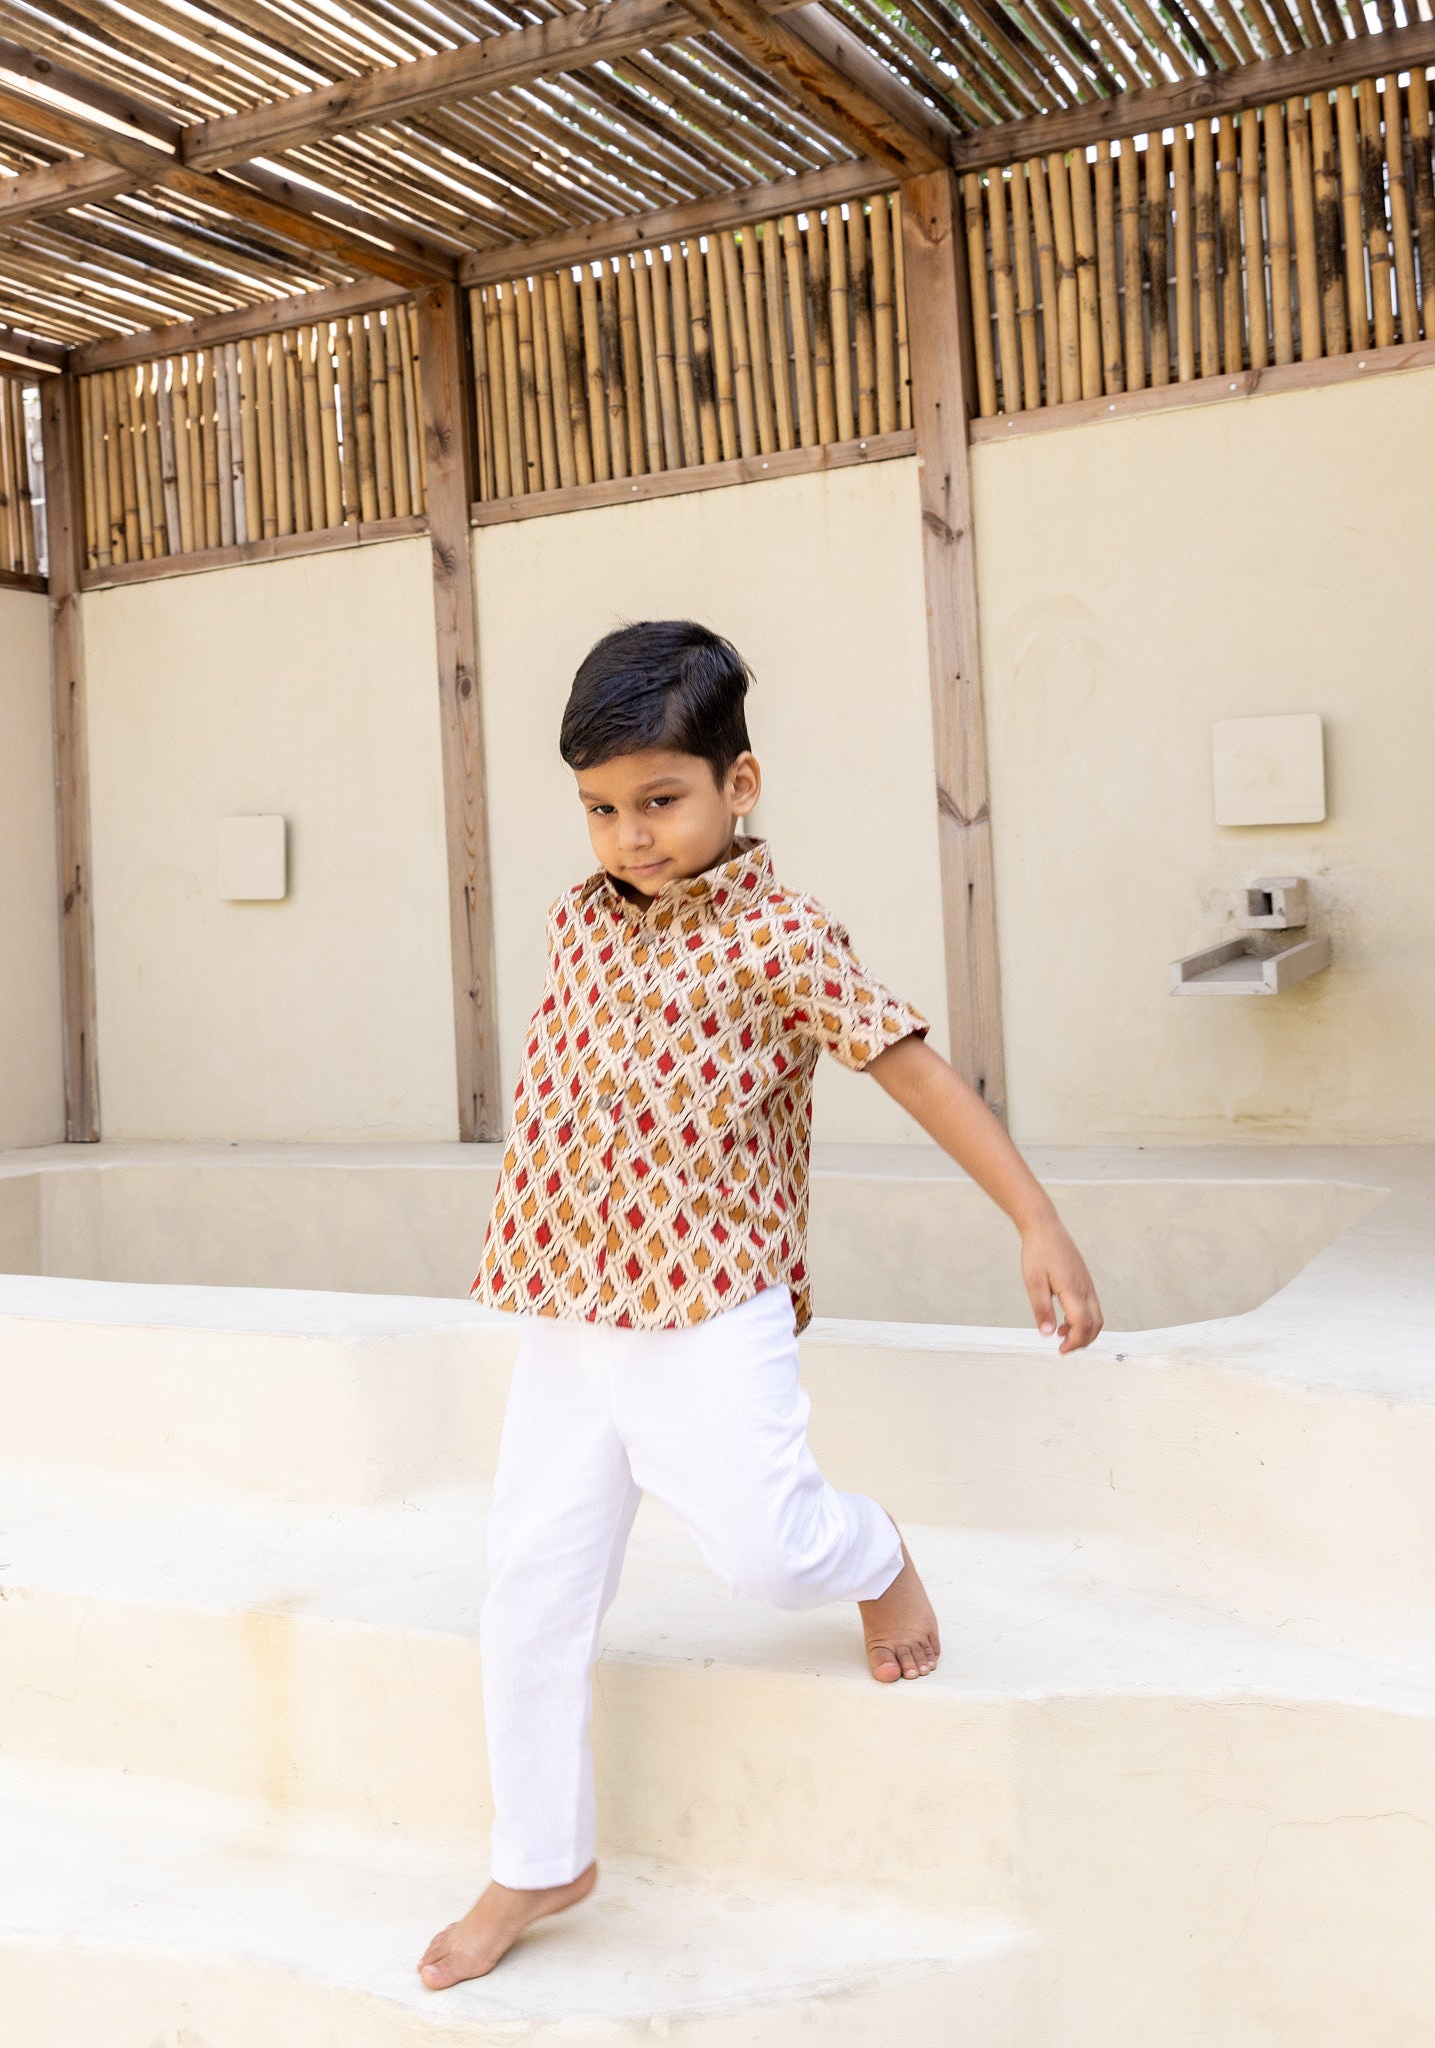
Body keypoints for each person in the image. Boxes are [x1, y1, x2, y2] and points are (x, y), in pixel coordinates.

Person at [420, 621, 1102, 1991]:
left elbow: (909, 1068)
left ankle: (874, 1555)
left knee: (769, 1557)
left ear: (740, 783)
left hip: (707, 1301)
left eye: (660, 800)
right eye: (602, 809)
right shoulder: (574, 918)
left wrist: (1034, 1218)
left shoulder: (785, 937)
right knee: (529, 1587)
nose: (631, 834)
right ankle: (539, 1856)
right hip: (563, 1302)